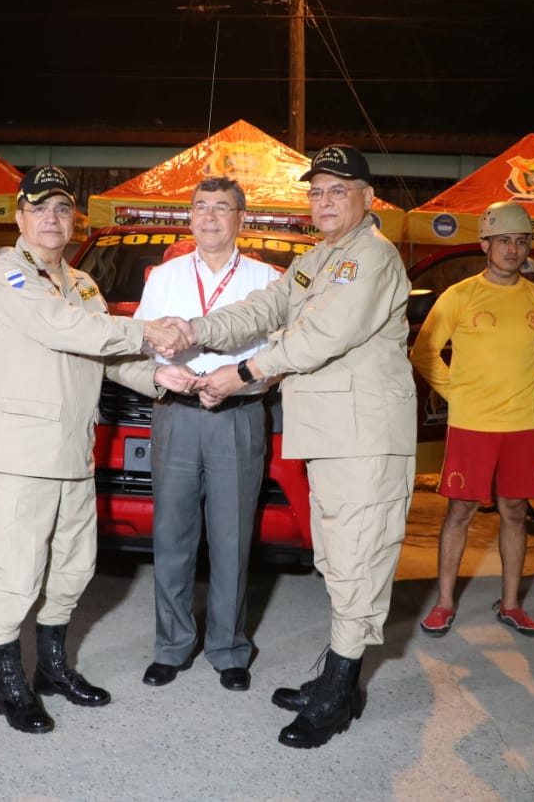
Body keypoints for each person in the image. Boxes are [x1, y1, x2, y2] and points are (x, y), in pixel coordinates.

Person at [177, 145, 418, 749]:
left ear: (367, 198)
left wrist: (243, 372)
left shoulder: (372, 256)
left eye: (338, 190)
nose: (324, 201)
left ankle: (338, 694)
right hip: (331, 435)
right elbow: (264, 307)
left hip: (364, 438)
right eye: (316, 192)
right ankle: (342, 678)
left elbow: (321, 336)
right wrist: (198, 329)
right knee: (337, 559)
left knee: (358, 559)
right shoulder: (317, 259)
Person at [0, 165, 192, 734]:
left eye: (62, 208)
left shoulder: (83, 284)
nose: (51, 218)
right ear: (20, 216)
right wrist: (147, 331)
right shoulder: (6, 273)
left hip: (71, 451)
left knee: (71, 567)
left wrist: (163, 378)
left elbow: (106, 354)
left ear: (74, 221)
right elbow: (64, 328)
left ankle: (52, 668)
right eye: (39, 207)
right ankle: (8, 683)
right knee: (15, 571)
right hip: (17, 455)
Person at [131, 176, 282, 693]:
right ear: (190, 217)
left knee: (231, 536)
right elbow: (140, 344)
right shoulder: (164, 277)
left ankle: (228, 648)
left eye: (222, 208)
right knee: (172, 534)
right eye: (201, 207)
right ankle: (171, 645)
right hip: (176, 412)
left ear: (242, 219)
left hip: (237, 414)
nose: (210, 217)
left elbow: (279, 355)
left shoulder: (267, 279)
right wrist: (162, 369)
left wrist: (239, 382)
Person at [409, 201, 534, 639]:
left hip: (522, 424)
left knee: (515, 510)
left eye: (521, 241)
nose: (513, 249)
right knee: (460, 510)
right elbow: (423, 353)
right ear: (485, 245)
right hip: (472, 424)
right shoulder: (459, 296)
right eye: (504, 240)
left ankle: (511, 605)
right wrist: (458, 393)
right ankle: (444, 604)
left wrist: (515, 391)